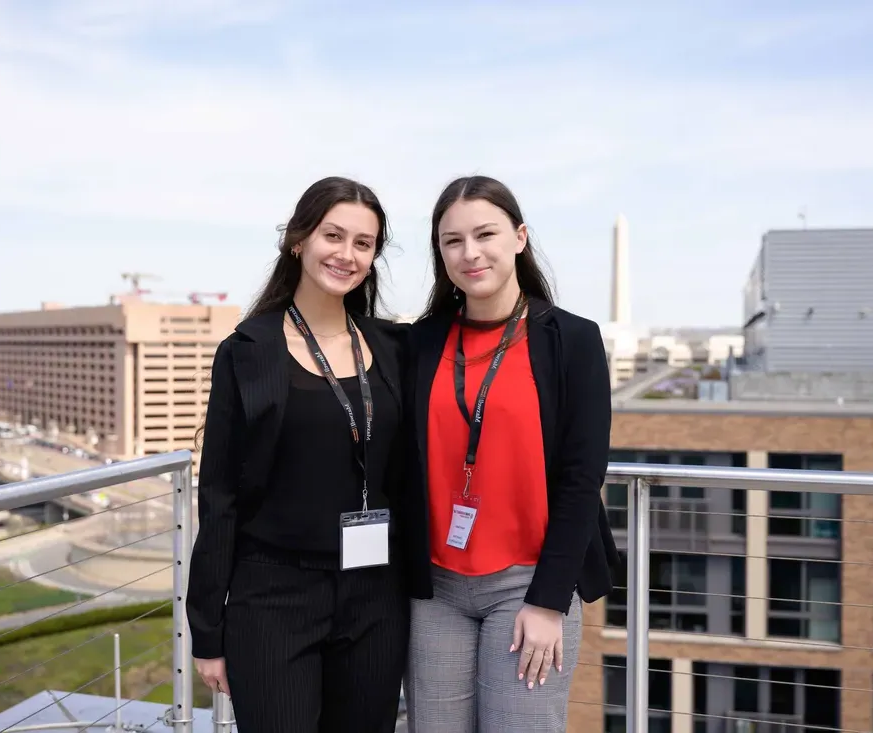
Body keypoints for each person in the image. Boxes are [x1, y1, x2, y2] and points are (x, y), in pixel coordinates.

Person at [186, 176, 410, 733]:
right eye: (333, 235)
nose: (347, 253)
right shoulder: (248, 351)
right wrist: (207, 632)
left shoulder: (393, 348)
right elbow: (218, 495)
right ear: (298, 240)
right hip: (274, 597)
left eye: (364, 243)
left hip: (376, 593)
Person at [400, 175, 619, 732]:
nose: (470, 253)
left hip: (529, 585)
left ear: (519, 237)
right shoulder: (421, 343)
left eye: (485, 234)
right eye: (452, 241)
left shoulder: (572, 340)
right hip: (436, 587)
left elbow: (581, 477)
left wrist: (549, 602)